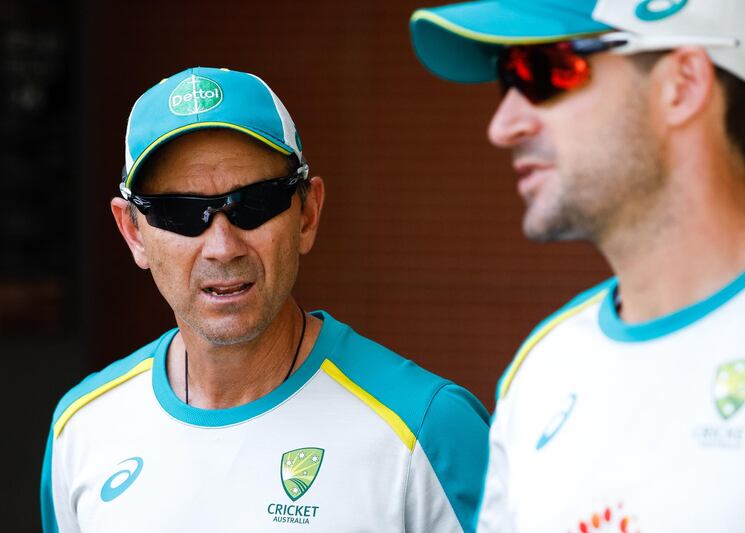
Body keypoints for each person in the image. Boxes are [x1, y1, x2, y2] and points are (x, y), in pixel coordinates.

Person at [40, 66, 489, 533]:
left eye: (253, 203)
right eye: (180, 212)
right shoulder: (82, 427)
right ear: (132, 232)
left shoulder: (428, 428)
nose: (222, 246)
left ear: (308, 214)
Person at [409, 0, 745, 531]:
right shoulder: (541, 370)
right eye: (507, 79)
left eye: (545, 70)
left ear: (682, 85)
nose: (503, 126)